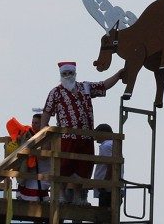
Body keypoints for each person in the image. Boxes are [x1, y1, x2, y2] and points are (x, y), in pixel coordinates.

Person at [40, 61, 123, 206]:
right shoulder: (56, 92)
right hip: (67, 136)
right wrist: (43, 133)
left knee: (83, 167)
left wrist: (118, 75)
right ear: (61, 75)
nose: (67, 76)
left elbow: (103, 85)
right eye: (64, 74)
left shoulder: (85, 87)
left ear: (75, 73)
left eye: (70, 73)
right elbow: (47, 112)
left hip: (86, 136)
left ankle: (78, 196)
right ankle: (61, 194)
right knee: (64, 166)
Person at [16, 113, 51, 202]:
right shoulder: (30, 134)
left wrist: (29, 147)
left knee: (35, 198)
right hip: (31, 172)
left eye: (36, 123)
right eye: (33, 123)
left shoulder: (49, 136)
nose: (33, 125)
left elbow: (43, 156)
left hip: (42, 171)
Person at [92, 123, 120, 208]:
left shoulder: (106, 146)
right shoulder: (114, 144)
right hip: (111, 188)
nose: (95, 137)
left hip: (107, 190)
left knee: (104, 216)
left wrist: (104, 184)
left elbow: (110, 166)